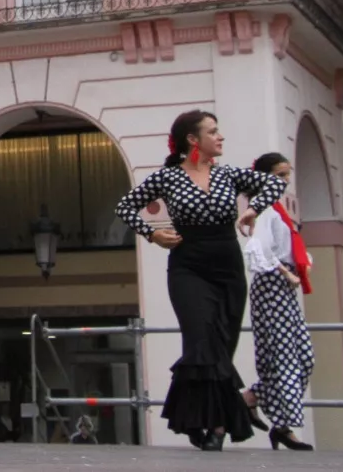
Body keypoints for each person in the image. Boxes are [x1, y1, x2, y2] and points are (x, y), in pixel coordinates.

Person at [114, 110, 284, 451]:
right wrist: (153, 234)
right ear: (193, 140)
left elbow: (275, 182)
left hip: (228, 269)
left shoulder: (229, 175)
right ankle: (219, 425)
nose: (220, 137)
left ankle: (197, 417)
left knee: (219, 346)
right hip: (188, 267)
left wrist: (253, 209)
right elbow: (125, 206)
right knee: (202, 340)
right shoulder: (168, 177)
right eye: (213, 131)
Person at [241, 152, 316, 452]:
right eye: (280, 175)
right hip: (274, 285)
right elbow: (259, 249)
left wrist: (301, 265)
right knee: (286, 355)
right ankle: (283, 426)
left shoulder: (278, 210)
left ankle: (252, 397)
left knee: (302, 356)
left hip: (283, 286)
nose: (286, 181)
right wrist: (287, 272)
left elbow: (287, 246)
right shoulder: (264, 209)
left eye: (287, 175)